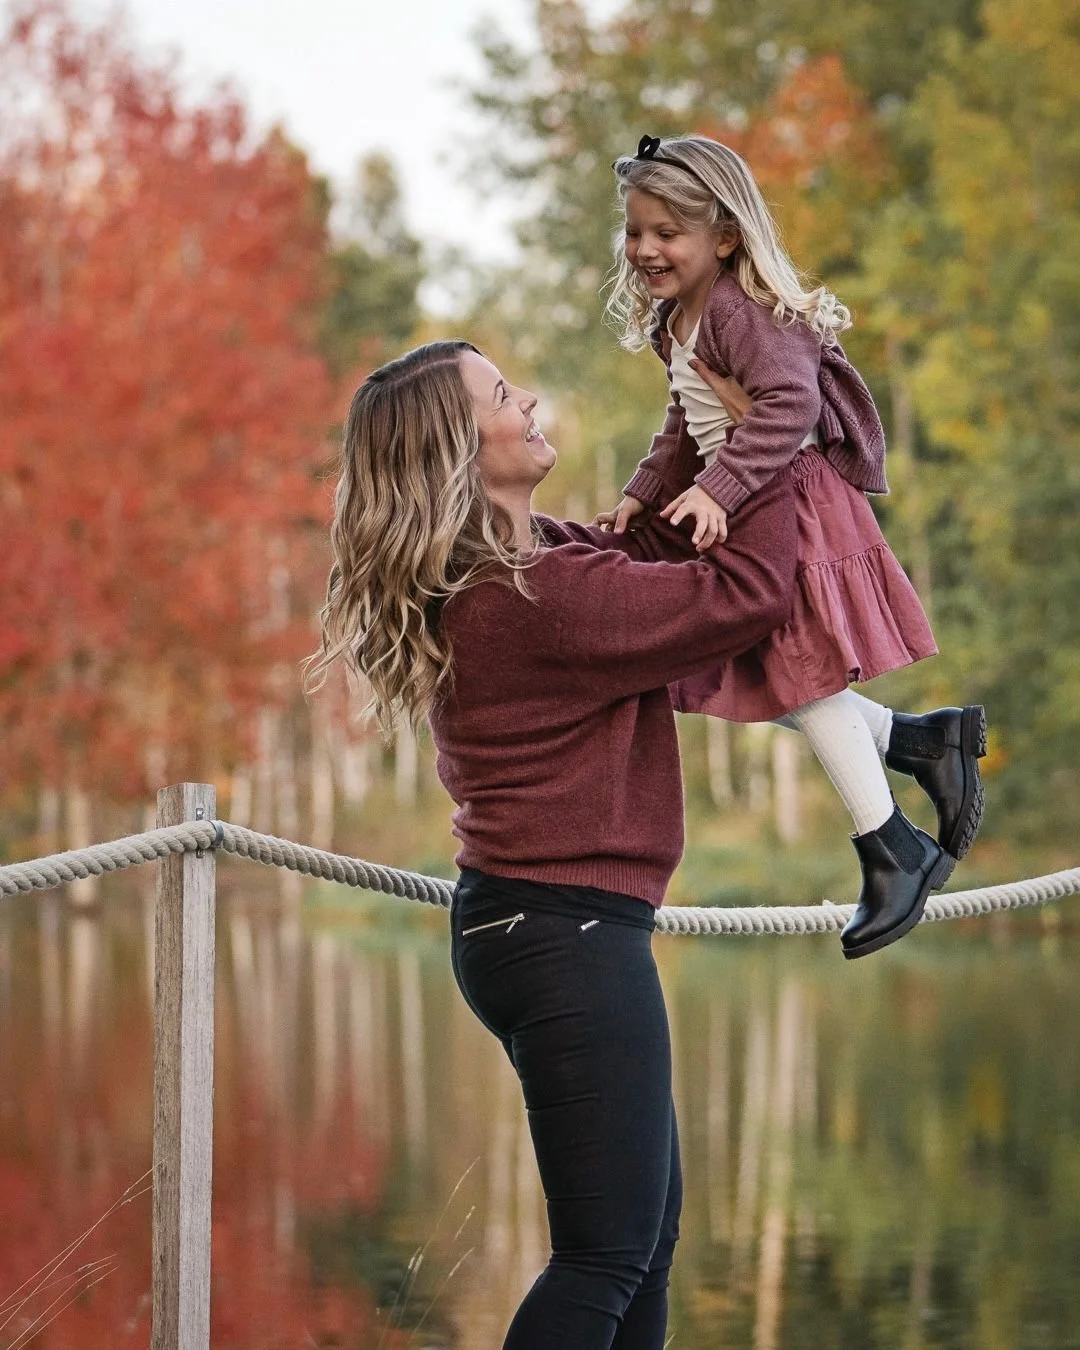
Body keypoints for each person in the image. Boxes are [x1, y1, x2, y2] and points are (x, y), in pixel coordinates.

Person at [308, 339, 799, 1349]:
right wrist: (775, 441)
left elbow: (652, 549)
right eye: (501, 394)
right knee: (605, 1257)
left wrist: (702, 418)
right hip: (564, 936)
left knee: (638, 1251)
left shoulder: (525, 568)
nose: (529, 398)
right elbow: (749, 593)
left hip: (544, 930)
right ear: (459, 450)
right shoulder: (533, 593)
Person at [598, 133, 987, 959]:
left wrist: (720, 488)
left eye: (666, 233)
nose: (645, 249)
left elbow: (789, 404)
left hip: (793, 505)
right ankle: (922, 743)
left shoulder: (740, 310)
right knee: (732, 667)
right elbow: (686, 418)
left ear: (723, 237)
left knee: (798, 674)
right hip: (749, 505)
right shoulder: (679, 319)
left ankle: (893, 846)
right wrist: (646, 487)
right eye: (634, 231)